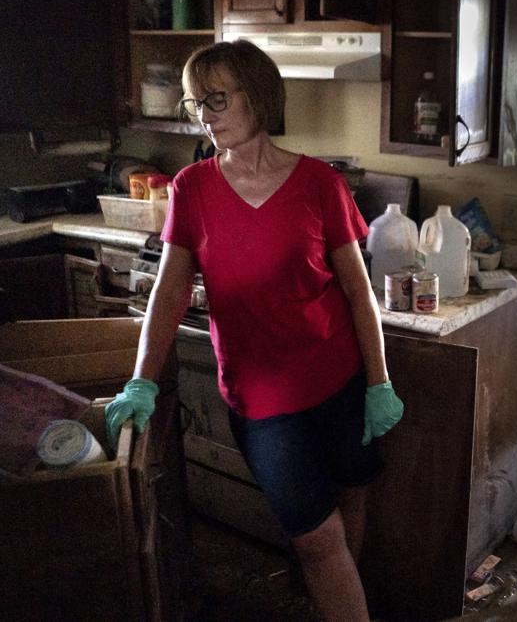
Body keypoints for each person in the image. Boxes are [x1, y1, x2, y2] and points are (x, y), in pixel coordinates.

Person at [104, 40, 403, 621]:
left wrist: (379, 382)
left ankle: (338, 591)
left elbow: (357, 291)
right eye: (196, 105)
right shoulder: (192, 188)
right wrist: (140, 379)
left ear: (258, 97)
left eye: (216, 99)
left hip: (340, 380)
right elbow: (168, 293)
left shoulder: (320, 184)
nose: (205, 116)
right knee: (315, 537)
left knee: (352, 493)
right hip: (262, 399)